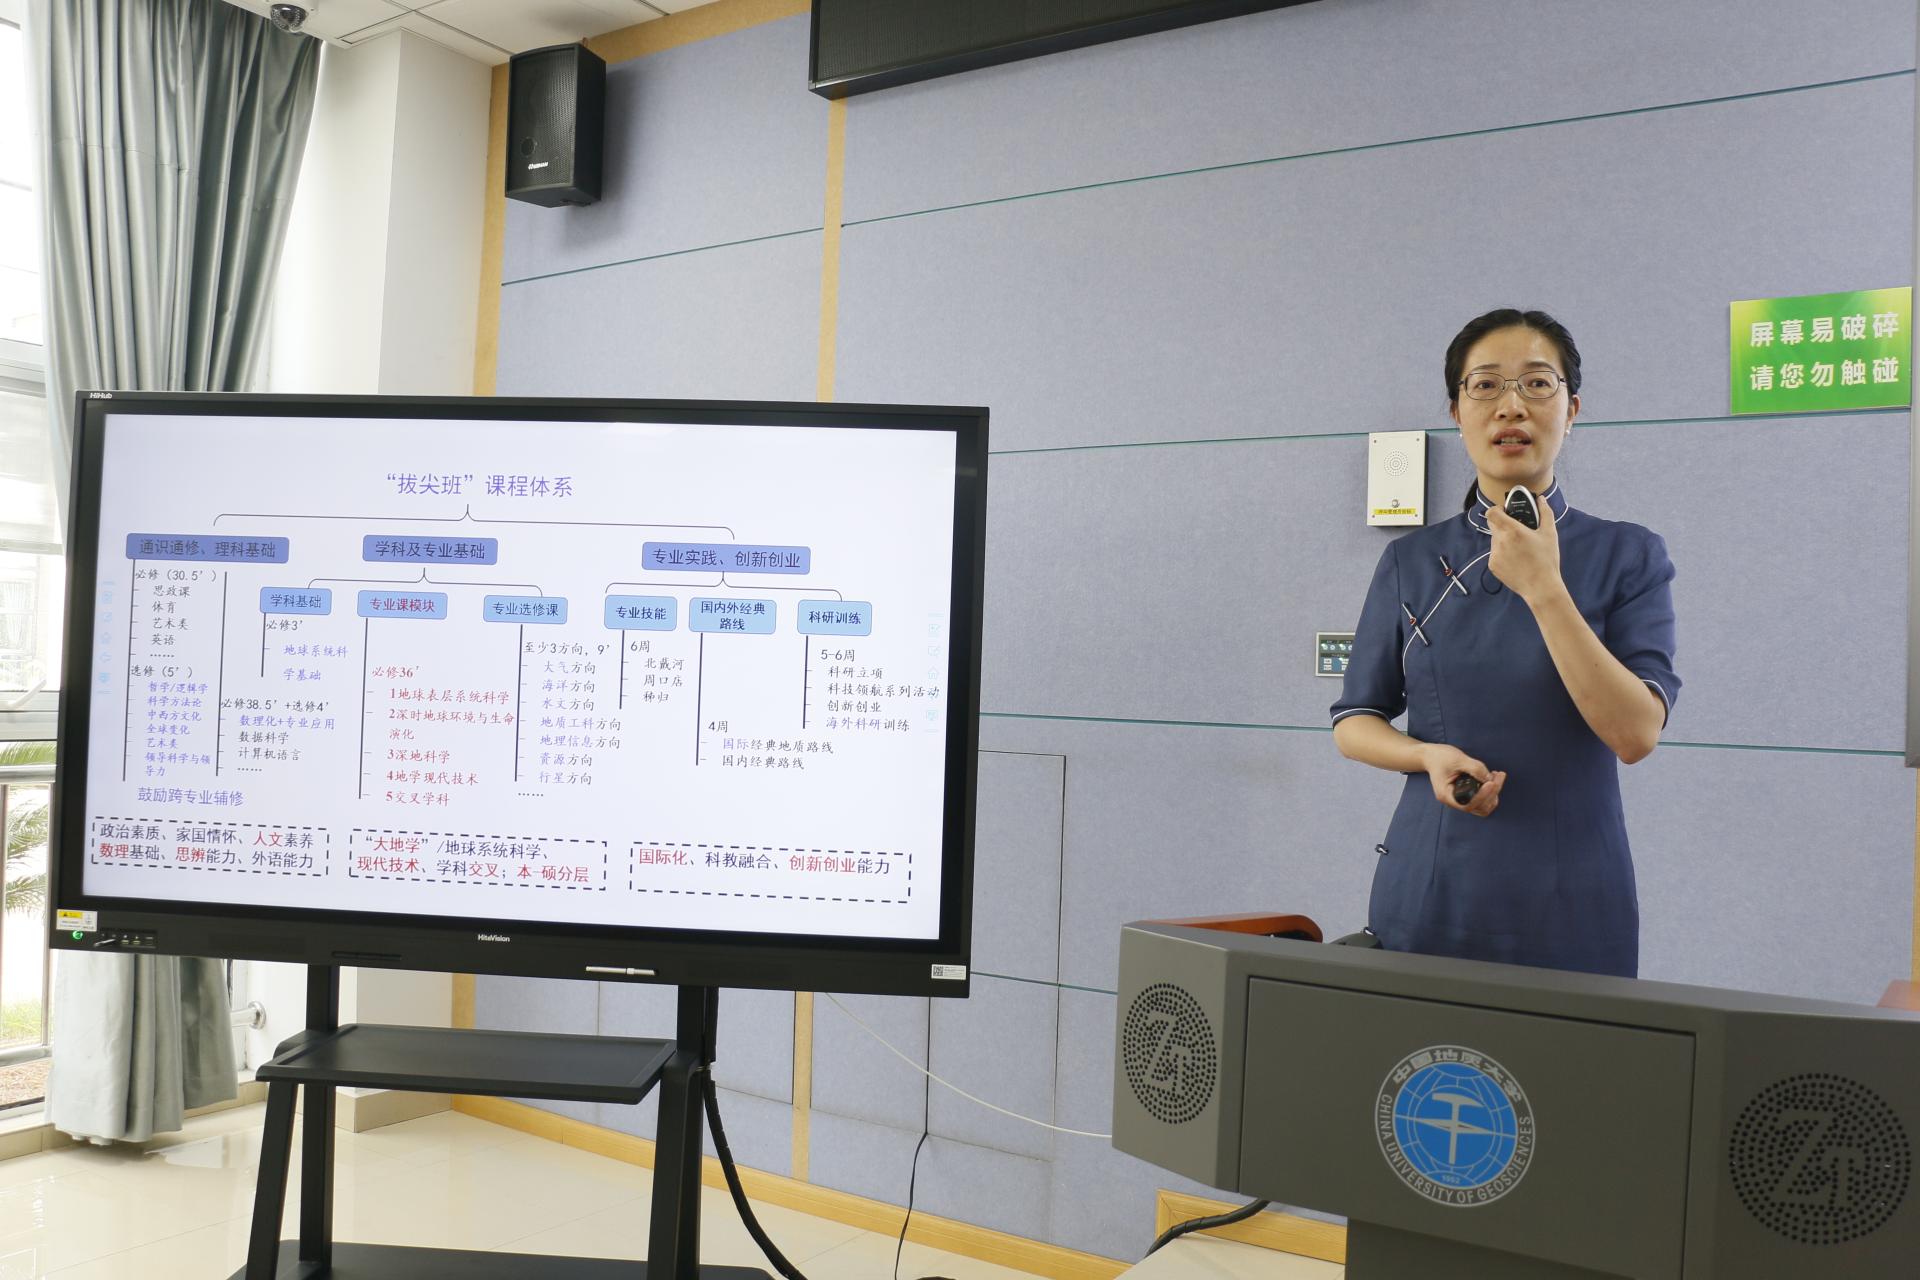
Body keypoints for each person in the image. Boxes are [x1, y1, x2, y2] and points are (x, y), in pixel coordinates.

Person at [1329, 309, 1679, 977]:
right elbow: (1354, 720)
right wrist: (1425, 755)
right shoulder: (1410, 560)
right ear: (1457, 412)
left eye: (1537, 384)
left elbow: (1636, 734)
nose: (1510, 406)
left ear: (1572, 410)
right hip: (1430, 889)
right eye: (1485, 385)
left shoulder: (1628, 555)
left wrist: (1543, 587)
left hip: (1575, 900)